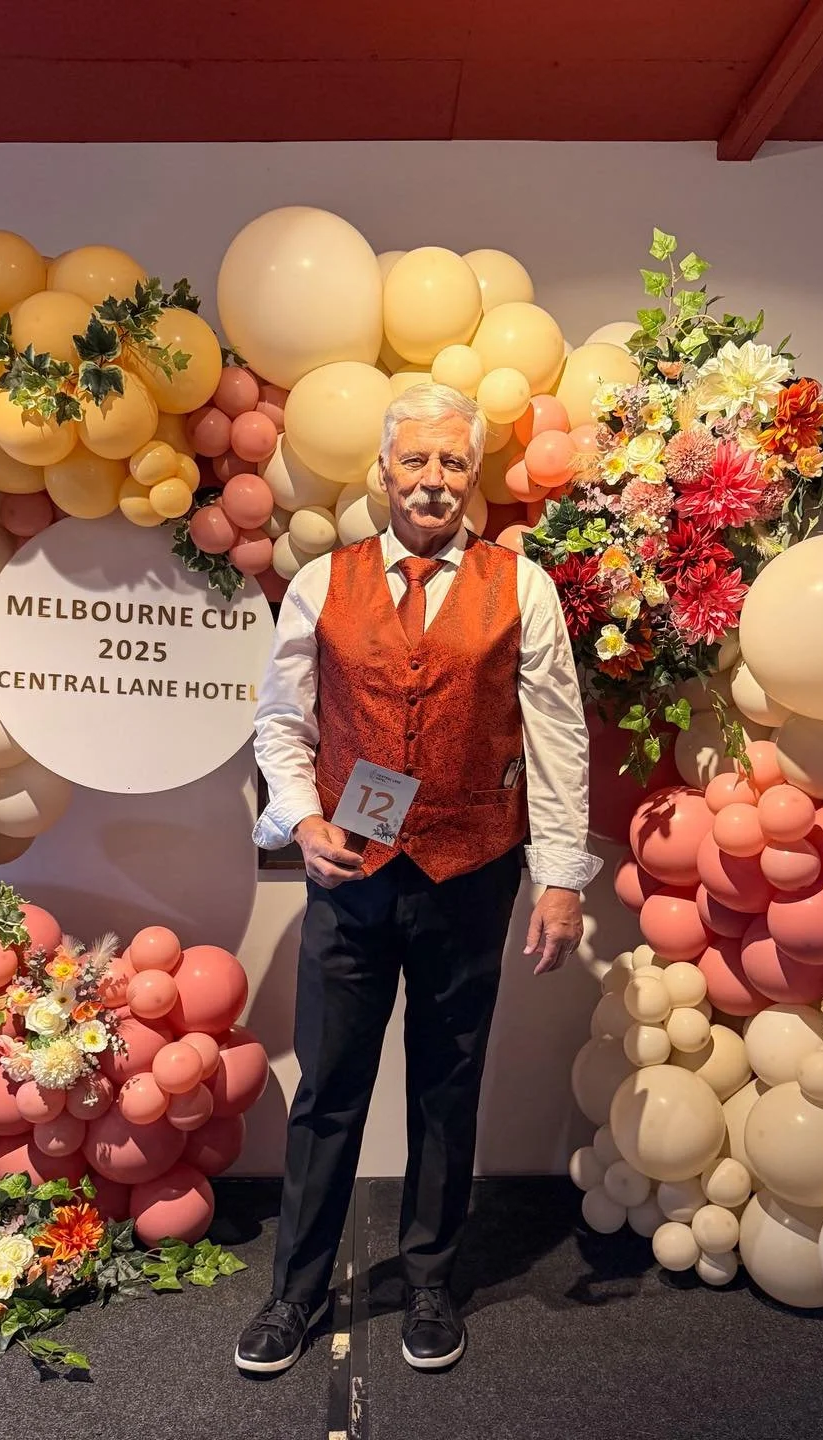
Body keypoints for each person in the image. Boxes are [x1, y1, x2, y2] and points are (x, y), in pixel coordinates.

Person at [236, 382, 599, 1375]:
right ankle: (293, 1294)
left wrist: (561, 878)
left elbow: (558, 742)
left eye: (451, 464)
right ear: (383, 473)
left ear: (471, 478)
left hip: (470, 870)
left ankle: (431, 1280)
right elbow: (282, 721)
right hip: (350, 872)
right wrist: (300, 819)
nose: (432, 480)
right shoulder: (322, 581)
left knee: (449, 1084)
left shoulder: (521, 588)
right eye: (416, 462)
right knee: (329, 1089)